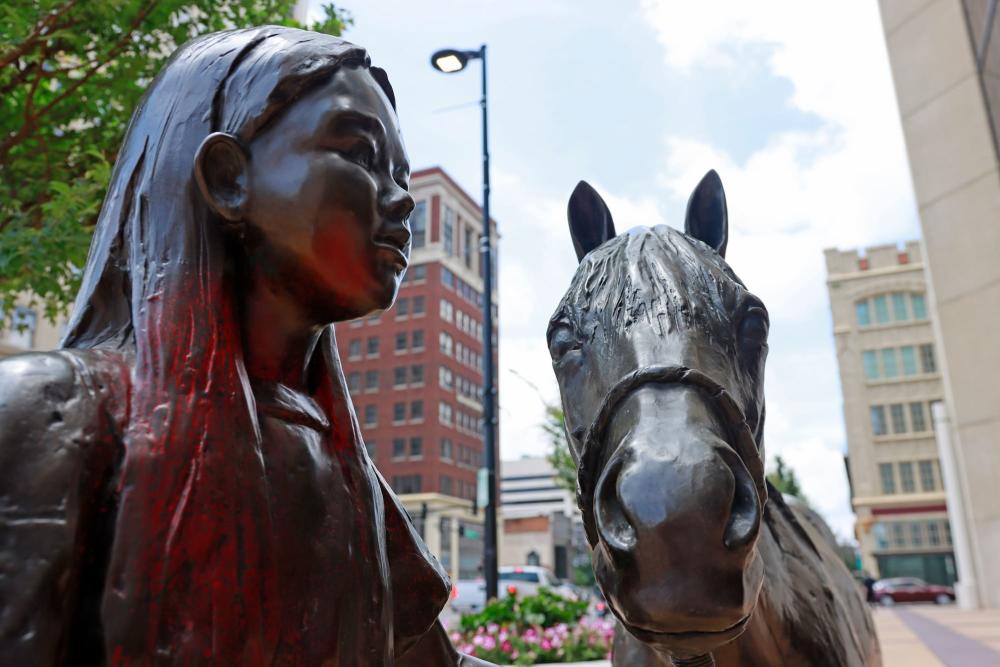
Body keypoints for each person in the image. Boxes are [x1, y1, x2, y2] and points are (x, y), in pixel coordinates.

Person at [0, 26, 491, 666]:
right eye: (361, 155)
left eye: (400, 174)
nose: (402, 201)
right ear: (229, 179)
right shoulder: (50, 415)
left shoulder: (354, 480)